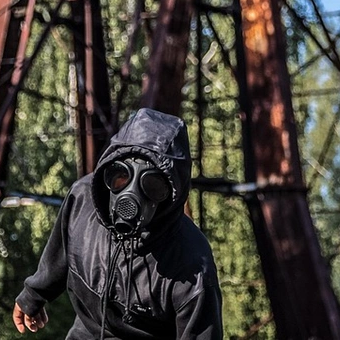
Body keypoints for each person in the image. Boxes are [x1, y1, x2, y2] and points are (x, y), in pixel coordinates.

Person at [13, 108, 223, 339]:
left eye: (152, 186)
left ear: (170, 195)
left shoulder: (192, 266)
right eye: (121, 176)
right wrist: (33, 294)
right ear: (108, 171)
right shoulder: (83, 201)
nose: (130, 195)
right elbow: (60, 251)